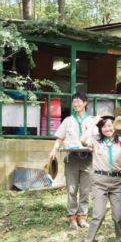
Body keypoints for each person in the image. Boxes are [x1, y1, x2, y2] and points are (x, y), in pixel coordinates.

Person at [80, 111, 121, 242]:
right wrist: (92, 123)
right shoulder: (96, 140)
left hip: (117, 182)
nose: (107, 129)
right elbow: (83, 140)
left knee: (118, 215)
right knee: (98, 214)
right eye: (103, 126)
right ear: (100, 129)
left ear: (115, 126)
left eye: (110, 125)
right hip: (99, 181)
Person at [49, 92, 93, 230]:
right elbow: (59, 138)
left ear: (85, 103)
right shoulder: (68, 120)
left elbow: (98, 139)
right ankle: (72, 217)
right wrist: (53, 150)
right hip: (72, 158)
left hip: (88, 159)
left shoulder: (91, 121)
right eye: (74, 101)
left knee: (86, 190)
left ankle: (83, 216)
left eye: (79, 101)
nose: (76, 104)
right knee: (71, 189)